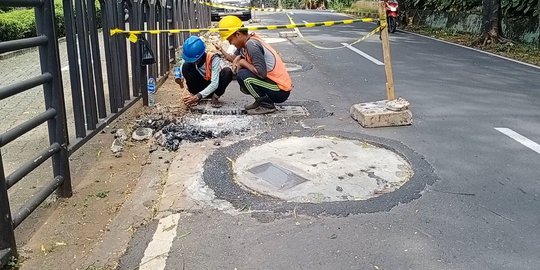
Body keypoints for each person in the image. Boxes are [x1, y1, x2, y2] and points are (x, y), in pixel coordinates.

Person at [215, 16, 293, 115]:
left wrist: (242, 62)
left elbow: (261, 74)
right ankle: (260, 101)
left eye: (230, 40)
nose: (231, 44)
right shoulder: (244, 44)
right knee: (242, 73)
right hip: (272, 85)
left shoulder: (252, 45)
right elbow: (233, 58)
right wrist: (222, 51)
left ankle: (266, 105)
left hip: (280, 90)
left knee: (243, 76)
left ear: (238, 34)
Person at [176, 36, 233, 107]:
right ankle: (193, 95)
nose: (193, 62)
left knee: (227, 71)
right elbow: (182, 66)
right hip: (198, 88)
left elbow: (214, 84)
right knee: (186, 66)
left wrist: (198, 96)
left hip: (214, 88)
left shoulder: (213, 58)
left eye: (195, 60)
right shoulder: (189, 57)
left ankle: (215, 97)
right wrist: (180, 77)